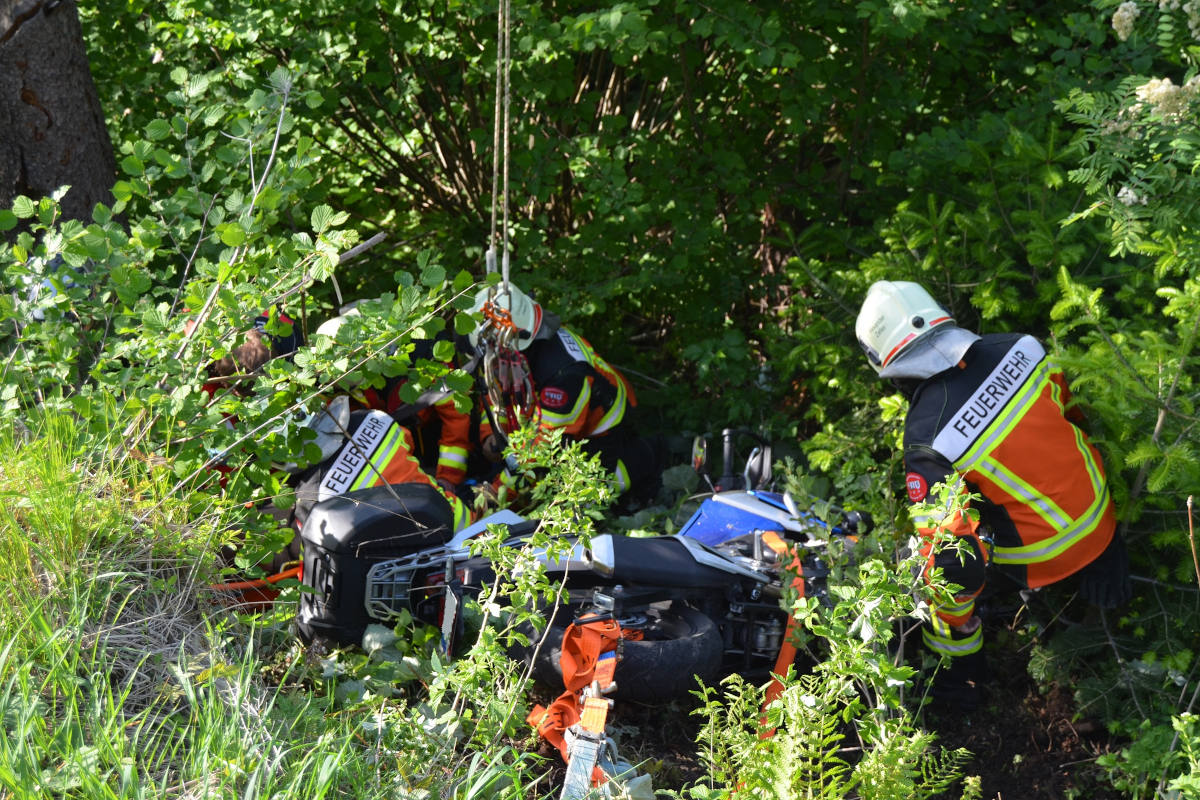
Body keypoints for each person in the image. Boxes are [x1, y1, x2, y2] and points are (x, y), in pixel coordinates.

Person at [854, 280, 1130, 704]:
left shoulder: (927, 436)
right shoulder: (1024, 347)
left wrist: (955, 615)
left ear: (891, 368)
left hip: (1043, 556)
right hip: (1102, 515)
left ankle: (962, 680)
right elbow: (1075, 421)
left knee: (930, 573)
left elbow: (952, 560)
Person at [468, 282, 661, 505]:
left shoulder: (564, 376)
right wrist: (489, 436)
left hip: (604, 427)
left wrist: (493, 498)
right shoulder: (517, 351)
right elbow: (497, 393)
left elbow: (539, 454)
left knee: (579, 502)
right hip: (564, 414)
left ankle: (647, 455)